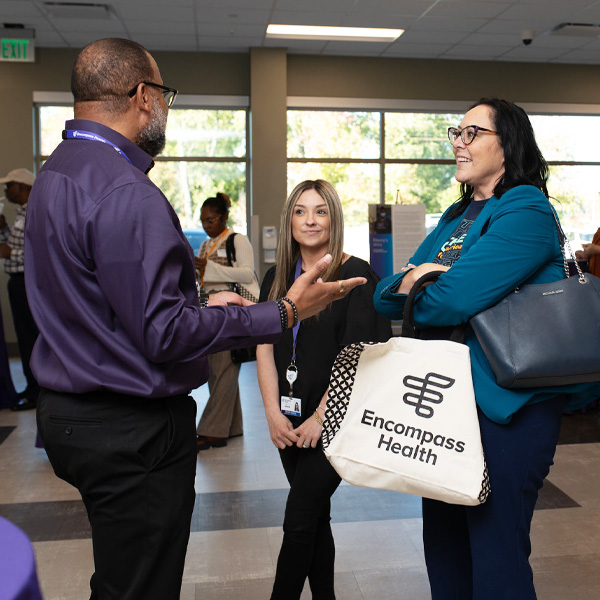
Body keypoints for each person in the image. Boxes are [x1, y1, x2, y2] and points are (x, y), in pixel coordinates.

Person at [24, 38, 366, 600]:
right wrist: (282, 312)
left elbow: (104, 303)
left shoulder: (54, 175)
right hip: (129, 431)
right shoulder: (126, 192)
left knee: (120, 575)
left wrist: (201, 306)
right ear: (141, 96)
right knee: (141, 586)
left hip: (70, 417)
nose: (166, 109)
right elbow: (163, 335)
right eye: (165, 95)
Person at [374, 98, 599, 600]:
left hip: (506, 411)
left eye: (473, 132)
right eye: (457, 131)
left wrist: (424, 281)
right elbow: (383, 293)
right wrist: (422, 282)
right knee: (445, 549)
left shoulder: (527, 210)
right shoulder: (457, 214)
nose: (458, 140)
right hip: (445, 409)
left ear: (508, 143)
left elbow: (450, 300)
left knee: (496, 558)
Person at [257, 179, 392, 600]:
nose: (310, 220)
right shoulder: (277, 277)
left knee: (298, 518)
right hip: (289, 419)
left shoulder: (356, 277)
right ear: (289, 220)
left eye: (320, 211)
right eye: (300, 211)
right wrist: (272, 413)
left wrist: (321, 416)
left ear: (334, 218)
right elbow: (264, 347)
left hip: (335, 422)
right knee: (315, 517)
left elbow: (359, 357)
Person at [194, 192, 260, 450]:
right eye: (203, 221)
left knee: (223, 367)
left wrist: (208, 268)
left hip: (231, 312)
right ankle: (232, 427)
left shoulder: (237, 240)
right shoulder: (204, 245)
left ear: (223, 217)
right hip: (210, 311)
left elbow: (247, 274)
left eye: (210, 220)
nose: (206, 225)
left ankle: (212, 430)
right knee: (217, 369)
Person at [0, 168, 40, 411]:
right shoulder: (21, 214)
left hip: (26, 282)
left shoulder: (33, 214)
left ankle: (36, 391)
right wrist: (3, 230)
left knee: (29, 337)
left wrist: (4, 249)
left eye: (9, 186)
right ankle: (31, 387)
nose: (6, 191)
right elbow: (14, 247)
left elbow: (27, 252)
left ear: (24, 188)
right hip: (18, 282)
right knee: (25, 337)